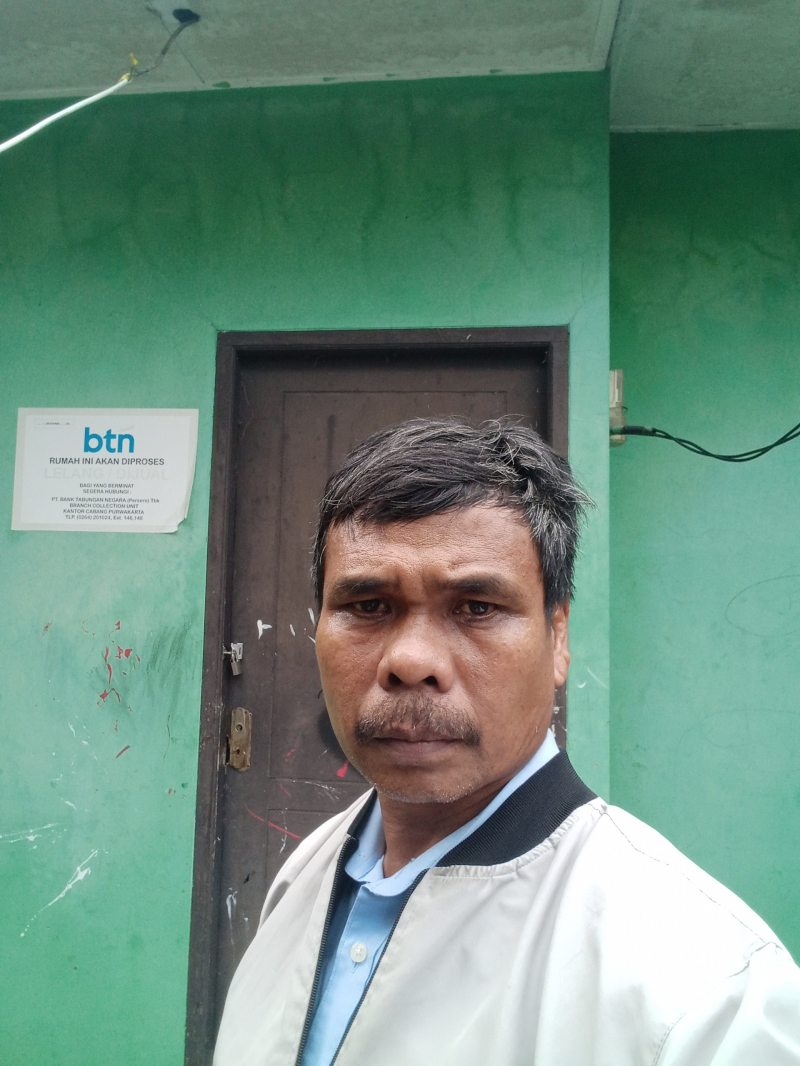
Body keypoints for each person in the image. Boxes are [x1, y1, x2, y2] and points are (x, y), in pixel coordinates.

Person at [214, 418, 800, 1066]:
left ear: (559, 637)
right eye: (369, 606)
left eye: (476, 608)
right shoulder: (303, 880)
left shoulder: (706, 994)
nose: (411, 661)